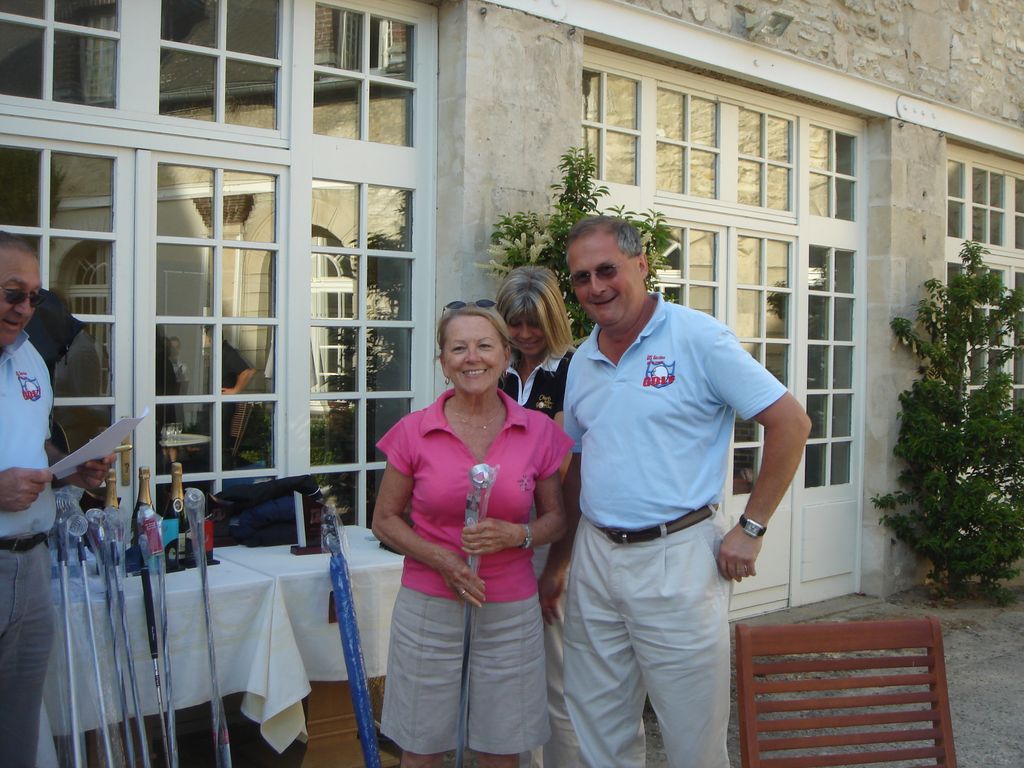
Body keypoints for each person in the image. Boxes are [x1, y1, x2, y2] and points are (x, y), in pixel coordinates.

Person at [541, 217, 811, 768]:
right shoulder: (583, 360)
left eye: (607, 270)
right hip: (596, 557)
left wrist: (752, 527)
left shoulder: (697, 338)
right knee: (599, 733)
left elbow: (791, 423)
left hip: (677, 558)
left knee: (693, 740)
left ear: (642, 264)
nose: (596, 287)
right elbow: (580, 466)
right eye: (582, 277)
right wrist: (561, 562)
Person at [372, 300, 573, 768]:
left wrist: (516, 534)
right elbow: (385, 519)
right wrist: (442, 560)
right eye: (458, 348)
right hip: (429, 607)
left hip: (509, 612)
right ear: (443, 362)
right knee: (421, 747)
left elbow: (557, 520)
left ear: (505, 355)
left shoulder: (538, 431)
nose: (472, 358)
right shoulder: (413, 431)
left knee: (500, 748)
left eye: (484, 346)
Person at [0, 232, 114, 768]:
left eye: (34, 297)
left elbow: (36, 442)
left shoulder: (30, 358)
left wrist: (70, 468)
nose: (24, 309)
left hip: (32, 564)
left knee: (18, 729)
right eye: (12, 294)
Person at [495, 266, 581, 768]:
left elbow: (569, 470)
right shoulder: (498, 368)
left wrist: (558, 564)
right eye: (515, 323)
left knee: (557, 670)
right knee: (513, 669)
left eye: (535, 323)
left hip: (553, 524)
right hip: (505, 530)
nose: (525, 334)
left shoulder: (572, 370)